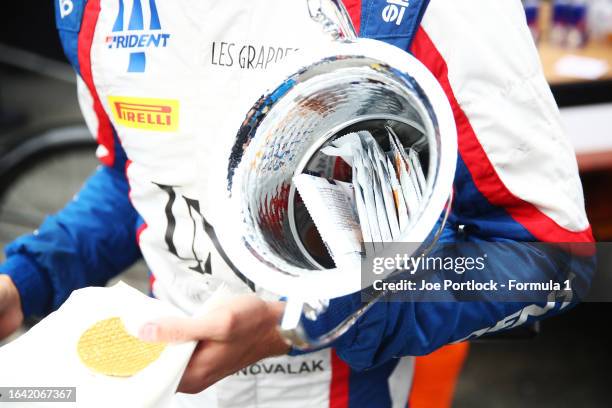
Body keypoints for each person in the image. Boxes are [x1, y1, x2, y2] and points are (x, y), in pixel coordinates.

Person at [0, 0, 594, 407]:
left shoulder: (430, 11)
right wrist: (22, 280)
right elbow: (140, 180)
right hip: (160, 384)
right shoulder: (90, 10)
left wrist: (303, 321)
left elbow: (548, 255)